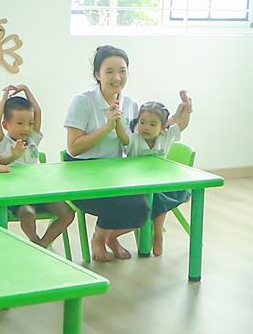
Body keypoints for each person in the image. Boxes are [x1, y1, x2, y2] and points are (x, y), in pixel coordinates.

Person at [63, 45, 181, 263]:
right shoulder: (83, 101)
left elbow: (142, 138)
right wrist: (108, 127)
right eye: (109, 71)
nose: (117, 77)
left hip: (116, 172)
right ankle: (99, 239)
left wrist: (180, 115)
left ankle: (112, 238)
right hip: (82, 174)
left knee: (148, 203)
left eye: (122, 71)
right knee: (126, 202)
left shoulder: (131, 104)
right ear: (97, 75)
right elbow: (74, 148)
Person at [0, 87, 73, 249]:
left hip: (39, 191)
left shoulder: (32, 140)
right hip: (17, 196)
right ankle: (35, 241)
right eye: (20, 123)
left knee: (68, 213)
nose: (26, 128)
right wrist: (5, 95)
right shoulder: (2, 143)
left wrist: (25, 89)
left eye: (30, 124)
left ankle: (42, 245)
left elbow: (38, 111)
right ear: (6, 125)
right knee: (28, 214)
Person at [117, 92, 194, 257]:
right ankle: (158, 233)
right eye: (142, 122)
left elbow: (182, 124)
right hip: (138, 187)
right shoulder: (134, 139)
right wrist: (116, 120)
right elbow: (122, 136)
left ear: (163, 127)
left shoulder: (165, 136)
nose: (146, 127)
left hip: (161, 184)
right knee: (156, 198)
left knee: (160, 196)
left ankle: (157, 234)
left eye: (153, 124)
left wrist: (186, 109)